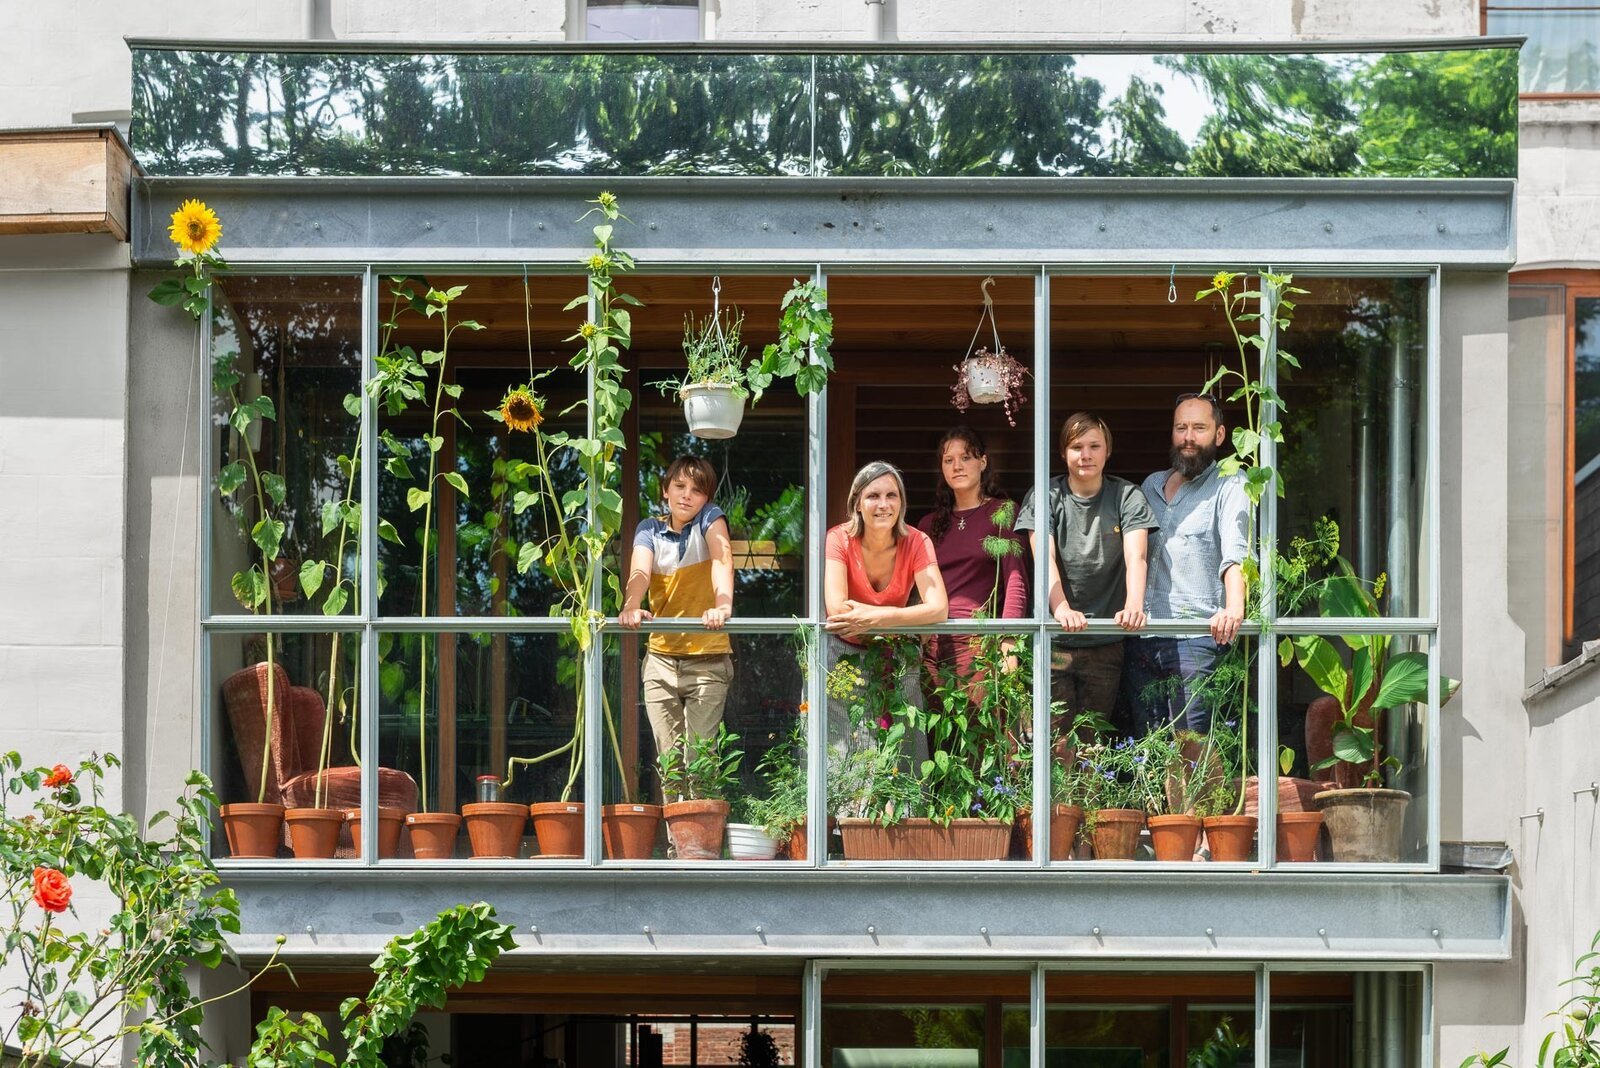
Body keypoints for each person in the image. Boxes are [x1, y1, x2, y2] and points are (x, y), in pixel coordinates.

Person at [1016, 412, 1155, 751]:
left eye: (1095, 446)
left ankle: (1088, 805)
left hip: (1105, 642)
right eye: (1077, 446)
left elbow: (1136, 556)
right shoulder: (1046, 494)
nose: (1086, 455)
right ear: (1064, 452)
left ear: (1108, 451)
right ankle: (1054, 806)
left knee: (1093, 740)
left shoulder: (1127, 496)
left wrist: (1133, 605)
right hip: (1056, 643)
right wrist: (1061, 608)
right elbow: (1043, 556)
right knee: (1055, 738)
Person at [1126, 393, 1251, 735]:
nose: (1188, 437)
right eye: (1181, 428)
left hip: (1195, 639)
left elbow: (1235, 552)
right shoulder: (1151, 485)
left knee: (1190, 748)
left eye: (1199, 428)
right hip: (1143, 638)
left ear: (1219, 435)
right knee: (1145, 750)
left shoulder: (1231, 484)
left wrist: (1234, 607)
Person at [619, 455, 735, 761]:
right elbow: (640, 573)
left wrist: (722, 608)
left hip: (707, 657)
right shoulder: (649, 529)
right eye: (679, 486)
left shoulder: (711, 518)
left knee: (701, 759)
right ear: (665, 491)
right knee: (668, 762)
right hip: (661, 660)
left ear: (706, 498)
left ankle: (702, 811)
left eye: (696, 490)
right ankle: (675, 811)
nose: (687, 494)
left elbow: (723, 561)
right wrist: (631, 606)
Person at [824, 461, 949, 739]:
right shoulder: (838, 539)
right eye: (873, 496)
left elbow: (939, 608)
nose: (883, 504)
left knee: (905, 748)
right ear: (857, 504)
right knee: (846, 752)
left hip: (898, 654)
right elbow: (837, 609)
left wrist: (875, 617)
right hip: (844, 655)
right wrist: (905, 617)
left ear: (901, 503)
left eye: (891, 495)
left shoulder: (917, 541)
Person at [917, 426, 1028, 680]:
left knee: (982, 719)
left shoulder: (1004, 512)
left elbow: (1015, 581)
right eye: (949, 460)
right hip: (933, 643)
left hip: (981, 642)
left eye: (966, 457)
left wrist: (1008, 640)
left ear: (983, 462)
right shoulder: (927, 525)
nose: (957, 466)